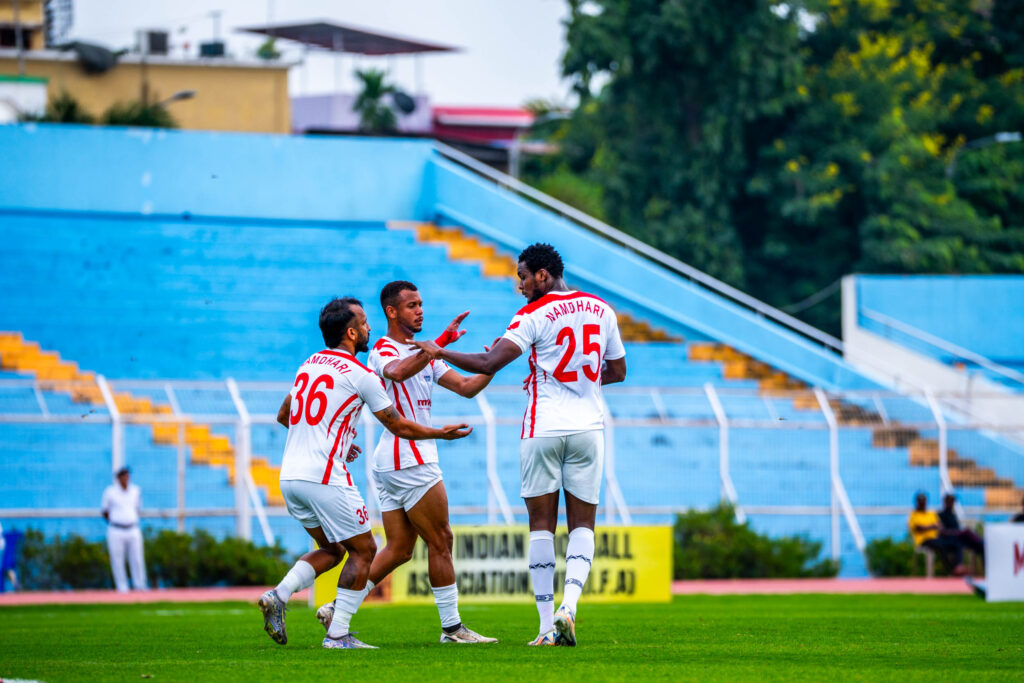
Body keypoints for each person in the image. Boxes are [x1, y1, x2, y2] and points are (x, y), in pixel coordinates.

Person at [414, 243, 627, 647]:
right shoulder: (602, 309)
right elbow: (617, 371)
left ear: (543, 275)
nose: (521, 286)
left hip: (543, 427)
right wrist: (579, 383)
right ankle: (571, 607)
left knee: (541, 527)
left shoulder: (533, 314)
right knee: (583, 525)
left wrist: (439, 350)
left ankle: (547, 627)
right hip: (588, 428)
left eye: (523, 277)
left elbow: (489, 363)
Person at [258, 296, 472, 650]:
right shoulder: (361, 374)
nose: (369, 327)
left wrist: (337, 437)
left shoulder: (308, 365)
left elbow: (285, 415)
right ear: (352, 332)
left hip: (290, 476)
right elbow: (399, 425)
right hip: (325, 477)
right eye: (364, 322)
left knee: (332, 550)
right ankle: (338, 635)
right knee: (364, 550)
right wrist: (439, 433)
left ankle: (278, 596)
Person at [316, 281, 497, 644]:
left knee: (399, 549)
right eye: (412, 305)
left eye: (421, 304)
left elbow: (465, 387)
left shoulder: (423, 352)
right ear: (391, 311)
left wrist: (493, 363)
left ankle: (340, 607)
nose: (420, 311)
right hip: (410, 458)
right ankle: (452, 628)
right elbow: (397, 372)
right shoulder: (383, 349)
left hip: (396, 460)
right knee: (441, 539)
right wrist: (437, 347)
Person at [101, 466, 148, 592]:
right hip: (116, 529)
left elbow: (138, 509)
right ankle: (122, 587)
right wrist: (115, 520)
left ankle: (140, 585)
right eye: (122, 476)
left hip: (132, 528)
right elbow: (105, 511)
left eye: (127, 475)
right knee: (117, 559)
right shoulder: (110, 492)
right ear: (118, 478)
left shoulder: (135, 491)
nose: (125, 478)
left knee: (137, 558)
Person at [908, 491, 965, 575]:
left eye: (923, 500)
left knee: (956, 543)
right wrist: (931, 526)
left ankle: (958, 567)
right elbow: (918, 528)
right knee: (941, 546)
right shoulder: (914, 514)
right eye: (920, 501)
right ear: (917, 502)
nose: (922, 503)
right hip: (923, 540)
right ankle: (951, 570)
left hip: (936, 538)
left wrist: (935, 527)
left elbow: (939, 526)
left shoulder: (931, 513)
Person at [938, 493, 984, 563]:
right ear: (945, 501)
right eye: (949, 501)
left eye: (952, 501)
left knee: (977, 544)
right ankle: (959, 568)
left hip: (957, 537)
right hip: (949, 539)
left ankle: (982, 546)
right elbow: (942, 531)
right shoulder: (940, 515)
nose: (951, 503)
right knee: (966, 534)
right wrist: (956, 532)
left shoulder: (953, 515)